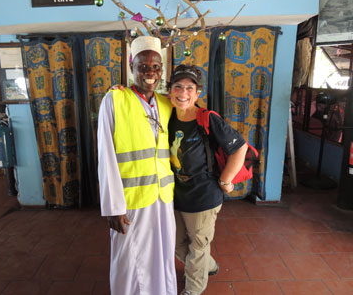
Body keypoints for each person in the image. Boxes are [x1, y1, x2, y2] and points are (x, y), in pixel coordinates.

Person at [97, 36, 177, 295]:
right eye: (143, 66)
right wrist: (112, 207)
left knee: (162, 254)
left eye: (156, 67)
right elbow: (105, 156)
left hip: (162, 198)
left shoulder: (166, 103)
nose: (150, 73)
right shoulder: (114, 100)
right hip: (130, 201)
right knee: (130, 260)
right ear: (132, 68)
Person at [167, 64, 248, 295]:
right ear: (170, 90)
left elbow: (239, 148)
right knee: (176, 244)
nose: (183, 93)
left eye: (189, 88)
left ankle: (193, 289)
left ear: (198, 93)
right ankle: (207, 266)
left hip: (203, 195)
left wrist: (225, 181)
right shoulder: (166, 113)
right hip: (174, 194)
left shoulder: (207, 118)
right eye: (178, 87)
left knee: (199, 246)